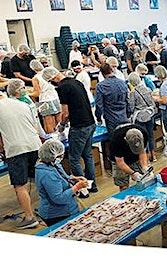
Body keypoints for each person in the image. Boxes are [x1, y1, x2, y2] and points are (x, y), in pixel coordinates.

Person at [42, 67, 98, 193]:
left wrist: (61, 125)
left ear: (53, 79)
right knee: (87, 155)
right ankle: (92, 185)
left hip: (79, 126)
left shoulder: (62, 88)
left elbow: (65, 112)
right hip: (90, 122)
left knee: (74, 158)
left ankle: (83, 189)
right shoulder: (76, 81)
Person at [0, 89, 41, 229]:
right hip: (34, 144)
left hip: (16, 149)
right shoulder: (22, 103)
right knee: (39, 177)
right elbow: (34, 125)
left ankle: (29, 217)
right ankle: (46, 207)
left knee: (20, 185)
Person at [35, 139, 87, 226]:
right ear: (53, 156)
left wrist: (73, 178)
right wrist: (77, 187)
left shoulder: (52, 163)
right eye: (61, 155)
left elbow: (62, 176)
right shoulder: (47, 174)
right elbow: (59, 198)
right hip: (57, 215)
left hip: (68, 208)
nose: (62, 157)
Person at [109, 124, 150, 191]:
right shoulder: (116, 140)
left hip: (136, 158)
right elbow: (120, 162)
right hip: (121, 160)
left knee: (145, 178)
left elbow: (142, 152)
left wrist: (145, 167)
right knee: (123, 185)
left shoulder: (143, 133)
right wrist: (133, 173)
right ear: (125, 139)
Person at [127, 73, 157, 163]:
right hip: (149, 114)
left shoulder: (133, 93)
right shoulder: (147, 89)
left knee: (143, 138)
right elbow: (152, 103)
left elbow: (131, 107)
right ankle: (153, 155)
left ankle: (146, 158)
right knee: (150, 135)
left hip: (140, 117)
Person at [94, 63, 129, 136]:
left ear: (102, 73)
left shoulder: (101, 86)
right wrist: (128, 114)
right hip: (124, 117)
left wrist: (98, 118)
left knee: (115, 143)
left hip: (111, 119)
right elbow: (128, 100)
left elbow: (99, 105)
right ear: (112, 70)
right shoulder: (122, 83)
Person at [29, 60, 61, 133]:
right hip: (55, 97)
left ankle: (53, 138)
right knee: (59, 119)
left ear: (32, 68)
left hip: (45, 100)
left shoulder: (35, 78)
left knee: (48, 122)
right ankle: (63, 136)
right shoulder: (48, 72)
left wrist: (28, 93)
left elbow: (37, 93)